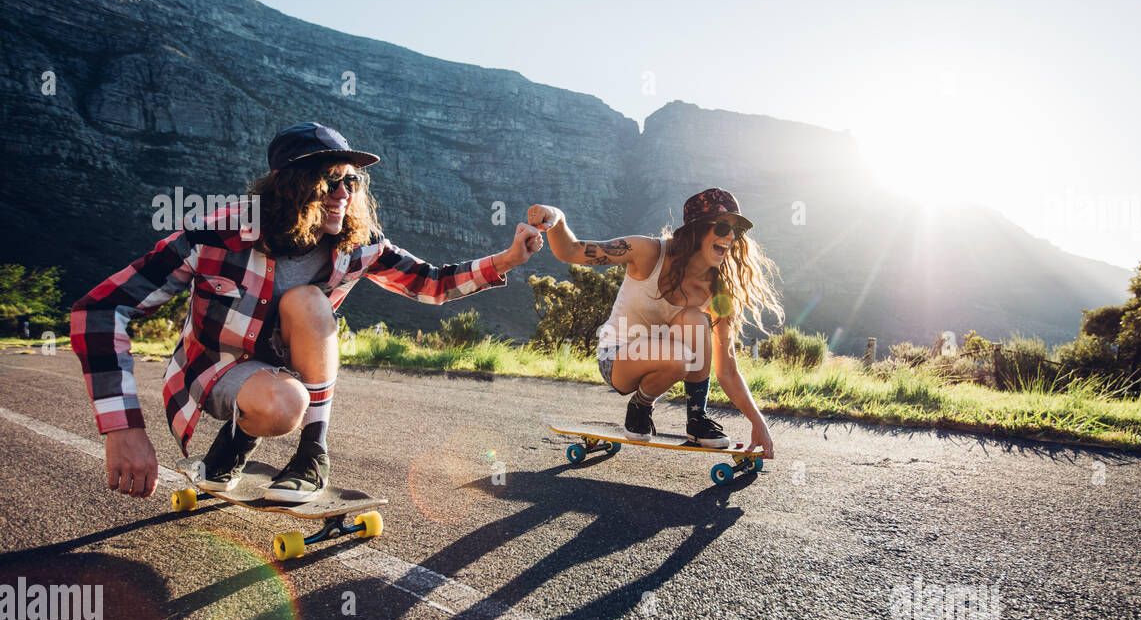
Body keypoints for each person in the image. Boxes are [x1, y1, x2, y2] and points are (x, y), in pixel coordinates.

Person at [71, 122, 543, 502]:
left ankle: (311, 456)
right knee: (283, 404)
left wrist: (506, 259)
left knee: (308, 301)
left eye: (351, 181)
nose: (344, 193)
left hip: (288, 369)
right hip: (217, 369)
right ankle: (235, 442)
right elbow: (101, 308)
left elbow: (431, 283)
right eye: (329, 181)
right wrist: (123, 428)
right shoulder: (216, 234)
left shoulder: (356, 244)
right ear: (288, 187)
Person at [532, 188, 783, 456]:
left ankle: (697, 419)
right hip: (616, 358)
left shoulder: (717, 293)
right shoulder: (647, 252)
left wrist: (758, 423)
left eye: (737, 231)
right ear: (695, 231)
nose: (731, 236)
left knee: (696, 319)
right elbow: (571, 251)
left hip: (670, 357)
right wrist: (556, 218)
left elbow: (728, 370)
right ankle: (641, 404)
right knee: (680, 357)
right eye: (722, 227)